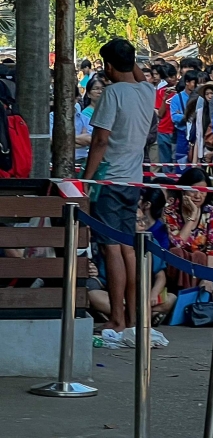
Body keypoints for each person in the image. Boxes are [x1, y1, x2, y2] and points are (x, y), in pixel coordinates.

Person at [81, 39, 156, 333]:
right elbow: (136, 74)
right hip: (134, 180)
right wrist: (126, 59)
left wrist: (87, 179)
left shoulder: (112, 93)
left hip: (109, 179)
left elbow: (99, 141)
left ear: (107, 66)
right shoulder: (147, 90)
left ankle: (117, 318)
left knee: (112, 249)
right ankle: (133, 318)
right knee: (128, 249)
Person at [162, 168, 213, 292]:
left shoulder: (212, 212)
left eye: (203, 191)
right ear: (183, 190)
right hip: (175, 268)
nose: (198, 196)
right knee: (178, 253)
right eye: (193, 190)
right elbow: (177, 244)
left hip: (201, 267)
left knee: (199, 256)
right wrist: (192, 216)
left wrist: (208, 277)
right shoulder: (169, 211)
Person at [170, 70, 198, 165]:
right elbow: (174, 117)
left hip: (196, 136)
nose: (197, 85)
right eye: (194, 82)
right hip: (182, 134)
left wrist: (181, 115)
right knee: (181, 163)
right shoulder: (177, 98)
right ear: (187, 82)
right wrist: (188, 116)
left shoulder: (200, 97)